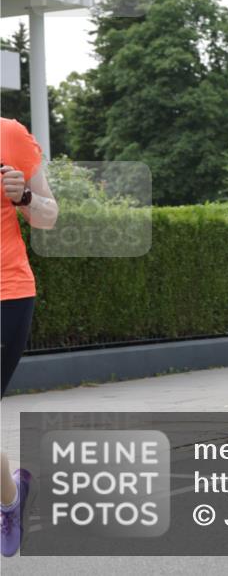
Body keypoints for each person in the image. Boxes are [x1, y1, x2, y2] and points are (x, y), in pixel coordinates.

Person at [1, 117, 59, 557]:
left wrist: (23, 195)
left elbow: (48, 217)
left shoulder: (10, 135)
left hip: (6, 294)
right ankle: (11, 497)